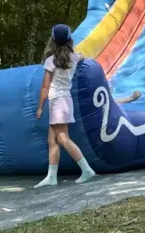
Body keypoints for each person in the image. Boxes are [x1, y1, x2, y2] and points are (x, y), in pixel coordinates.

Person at [34, 24, 96, 188]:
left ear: (52, 40)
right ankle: (52, 176)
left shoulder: (50, 61)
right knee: (52, 139)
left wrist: (40, 107)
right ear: (69, 39)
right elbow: (81, 56)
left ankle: (87, 169)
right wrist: (80, 55)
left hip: (57, 102)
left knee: (62, 138)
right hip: (65, 100)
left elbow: (45, 87)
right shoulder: (73, 57)